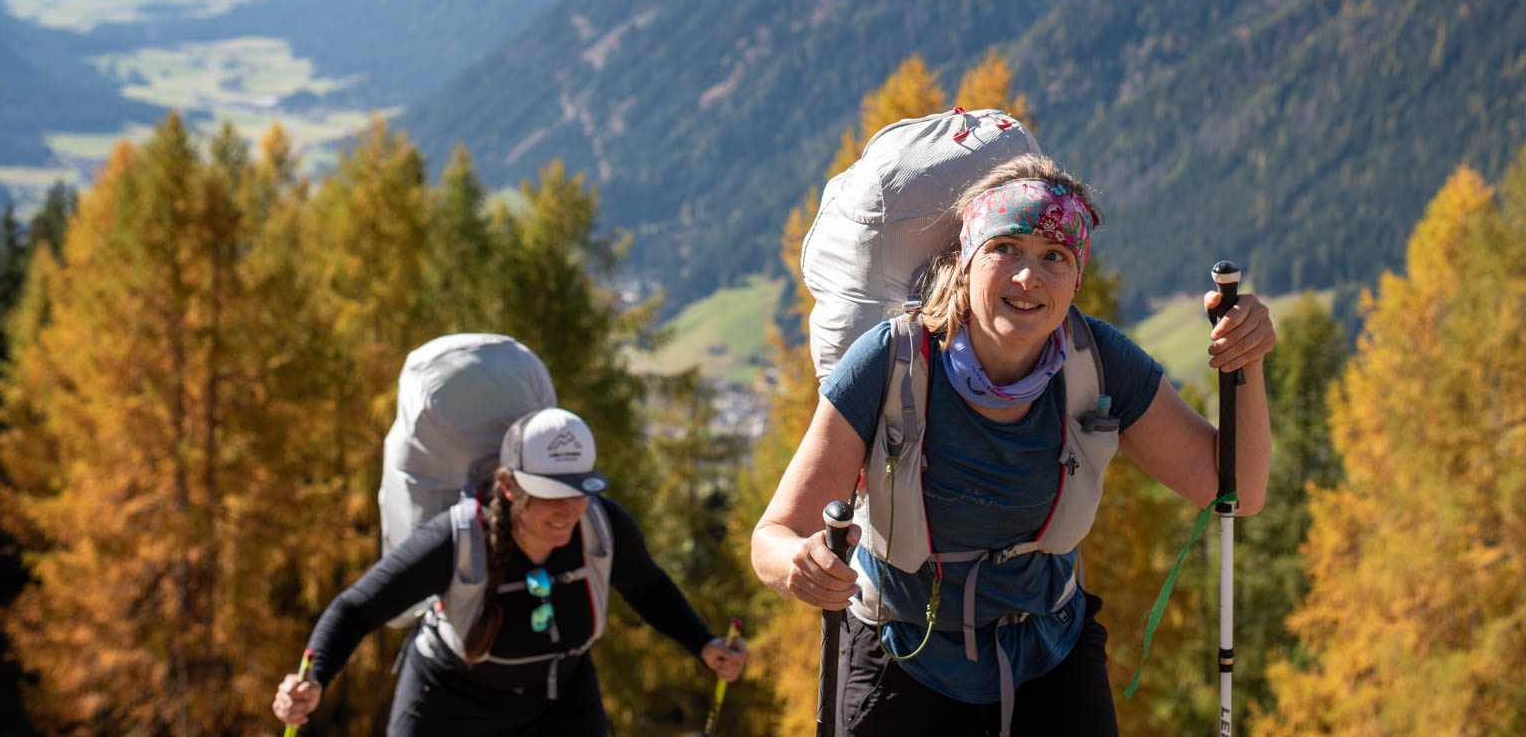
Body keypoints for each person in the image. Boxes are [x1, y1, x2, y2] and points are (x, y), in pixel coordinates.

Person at [751, 154, 1274, 736]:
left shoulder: (1100, 362)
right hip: (899, 652)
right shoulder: (889, 363)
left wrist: (1246, 360)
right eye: (1005, 248)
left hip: (1050, 651)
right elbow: (773, 535)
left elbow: (1237, 492)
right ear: (965, 261)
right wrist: (798, 564)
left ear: (1076, 279)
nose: (1029, 277)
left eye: (1055, 256)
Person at [273, 406, 747, 735]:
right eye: (549, 494)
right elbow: (357, 608)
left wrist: (703, 643)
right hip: (446, 705)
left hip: (561, 702)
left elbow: (647, 587)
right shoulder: (456, 539)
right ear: (508, 487)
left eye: (578, 492)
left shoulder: (604, 527)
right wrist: (313, 680)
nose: (567, 511)